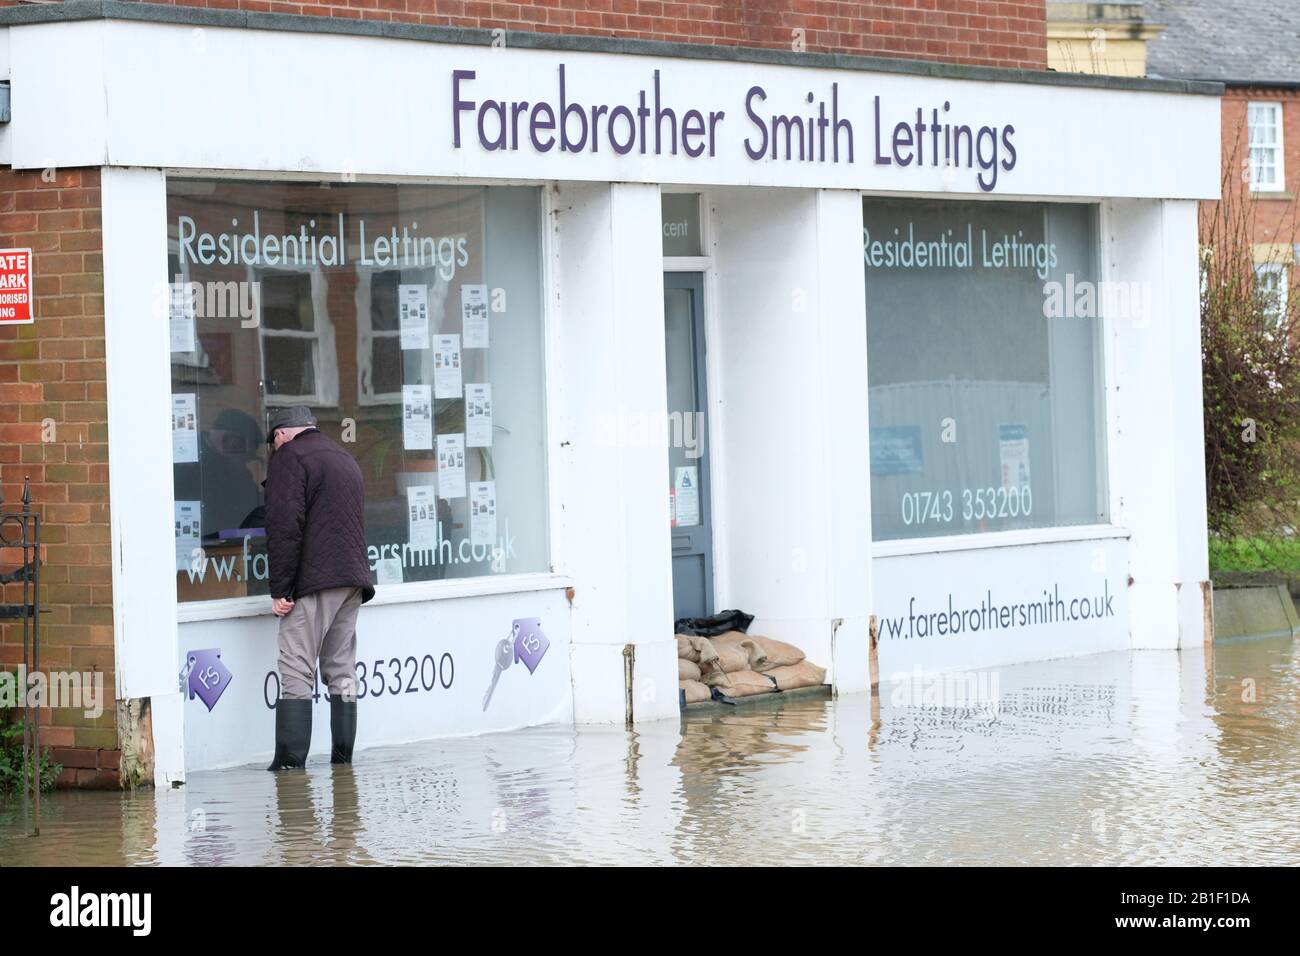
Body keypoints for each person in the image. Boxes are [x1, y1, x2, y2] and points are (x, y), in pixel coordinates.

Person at [264, 406, 375, 771]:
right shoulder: (343, 456)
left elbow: (284, 527)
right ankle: (343, 764)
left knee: (296, 669)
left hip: (314, 583)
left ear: (281, 434)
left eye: (273, 442)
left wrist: (281, 588)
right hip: (353, 581)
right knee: (341, 670)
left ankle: (290, 769)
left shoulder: (289, 457)